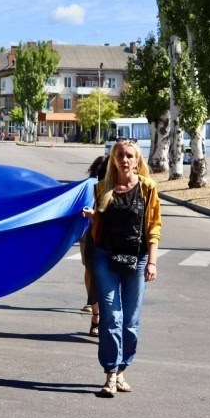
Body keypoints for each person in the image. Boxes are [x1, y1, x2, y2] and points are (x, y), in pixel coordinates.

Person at [82, 139, 161, 397]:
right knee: (111, 317)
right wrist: (93, 217)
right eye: (120, 155)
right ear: (114, 159)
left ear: (137, 160)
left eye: (129, 155)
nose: (125, 160)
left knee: (130, 320)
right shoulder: (102, 188)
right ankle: (111, 375)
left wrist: (152, 261)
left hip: (136, 261)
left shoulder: (148, 189)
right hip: (106, 258)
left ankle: (122, 368)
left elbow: (154, 228)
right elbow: (100, 224)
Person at [80, 155, 109, 336]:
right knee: (92, 273)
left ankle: (104, 317)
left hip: (117, 243)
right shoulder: (91, 187)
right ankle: (96, 315)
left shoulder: (129, 187)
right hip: (93, 236)